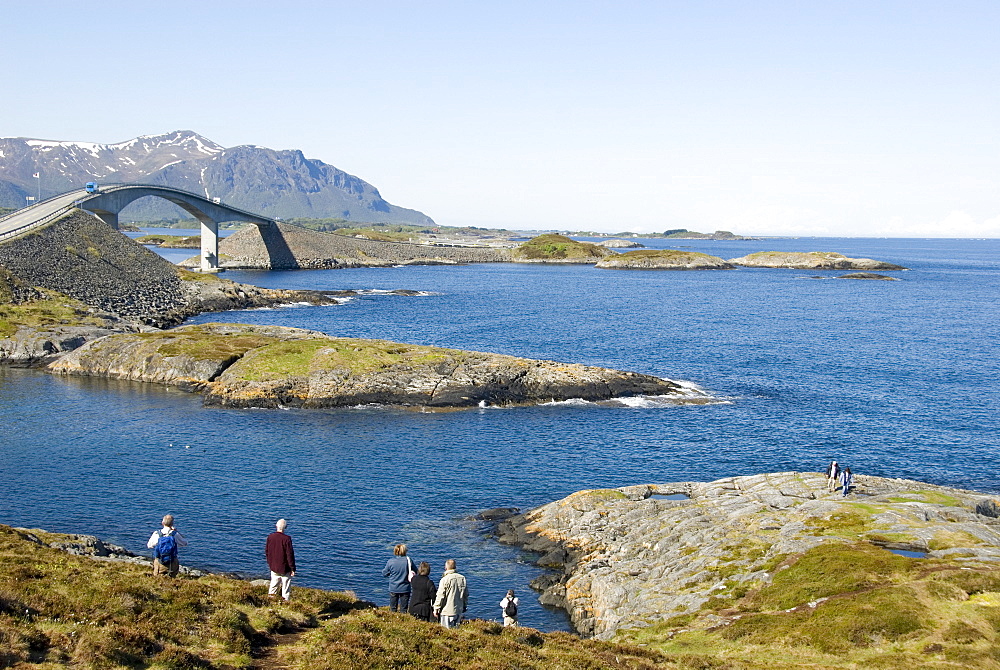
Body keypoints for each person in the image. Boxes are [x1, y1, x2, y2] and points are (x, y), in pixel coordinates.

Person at [265, 518, 296, 601]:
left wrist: (270, 563)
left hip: (274, 567)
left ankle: (270, 601)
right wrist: (292, 568)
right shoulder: (287, 539)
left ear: (276, 526)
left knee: (273, 586)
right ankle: (285, 604)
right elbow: (289, 554)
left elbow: (267, 551)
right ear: (285, 527)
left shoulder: (270, 537)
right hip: (285, 569)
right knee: (285, 589)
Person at [433, 558, 468, 629]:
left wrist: (436, 608)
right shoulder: (462, 578)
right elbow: (465, 595)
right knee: (456, 631)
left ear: (446, 567)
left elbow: (440, 596)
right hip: (458, 610)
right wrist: (464, 605)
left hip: (447, 611)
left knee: (447, 632)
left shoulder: (444, 579)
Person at [382, 544, 414, 612]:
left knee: (393, 609)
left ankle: (392, 621)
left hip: (393, 588)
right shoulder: (408, 560)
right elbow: (416, 571)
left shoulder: (391, 561)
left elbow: (384, 573)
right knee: (404, 609)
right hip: (405, 588)